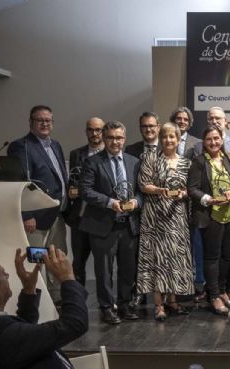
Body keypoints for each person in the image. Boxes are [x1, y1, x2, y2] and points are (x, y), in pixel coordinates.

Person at [0, 247, 88, 369]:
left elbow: (24, 337)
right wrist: (67, 278)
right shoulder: (0, 336)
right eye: (3, 273)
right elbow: (74, 324)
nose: (7, 275)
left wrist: (29, 291)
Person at [79, 120, 143, 324]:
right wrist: (109, 202)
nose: (115, 142)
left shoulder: (134, 161)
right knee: (104, 271)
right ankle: (107, 307)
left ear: (125, 139)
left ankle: (125, 305)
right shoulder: (92, 162)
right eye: (111, 138)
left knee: (128, 269)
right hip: (103, 225)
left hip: (129, 224)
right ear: (104, 139)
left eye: (119, 137)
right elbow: (85, 191)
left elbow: (142, 192)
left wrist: (136, 201)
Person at [7, 105, 68, 305]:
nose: (44, 123)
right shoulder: (21, 146)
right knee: (37, 260)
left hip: (57, 215)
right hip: (36, 218)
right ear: (31, 122)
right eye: (39, 120)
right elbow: (21, 183)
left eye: (48, 120)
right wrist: (27, 215)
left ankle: (57, 299)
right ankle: (37, 301)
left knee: (57, 258)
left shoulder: (55, 145)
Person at [137, 122, 194, 321]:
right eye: (165, 137)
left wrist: (183, 193)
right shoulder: (150, 158)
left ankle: (172, 300)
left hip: (177, 216)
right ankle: (158, 304)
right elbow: (144, 185)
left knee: (175, 258)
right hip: (155, 217)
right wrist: (159, 190)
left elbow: (191, 189)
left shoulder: (186, 163)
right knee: (157, 259)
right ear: (160, 139)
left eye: (172, 137)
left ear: (179, 139)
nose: (168, 140)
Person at [188, 125, 230, 316]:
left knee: (227, 256)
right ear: (204, 141)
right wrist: (209, 199)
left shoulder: (229, 159)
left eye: (216, 138)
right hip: (210, 216)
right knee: (212, 257)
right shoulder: (199, 162)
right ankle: (214, 296)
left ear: (222, 139)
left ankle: (223, 289)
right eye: (209, 139)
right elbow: (192, 189)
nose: (213, 142)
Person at [66, 117, 105, 287]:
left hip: (104, 217)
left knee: (104, 263)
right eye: (91, 129)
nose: (94, 133)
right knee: (78, 261)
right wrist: (71, 190)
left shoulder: (111, 153)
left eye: (98, 129)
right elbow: (73, 181)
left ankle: (106, 300)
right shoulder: (76, 154)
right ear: (86, 131)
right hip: (81, 215)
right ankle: (79, 297)